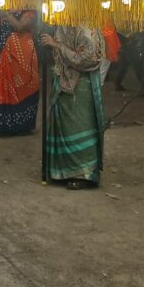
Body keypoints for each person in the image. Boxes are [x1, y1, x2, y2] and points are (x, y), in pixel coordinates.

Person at [40, 26, 106, 189]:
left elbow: (87, 58)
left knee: (79, 125)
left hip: (80, 86)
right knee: (65, 126)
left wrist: (57, 45)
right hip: (63, 81)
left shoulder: (86, 28)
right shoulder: (66, 24)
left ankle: (83, 173)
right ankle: (63, 170)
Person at [0, 10, 39, 135]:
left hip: (21, 57)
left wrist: (6, 14)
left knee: (18, 89)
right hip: (1, 54)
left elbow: (20, 26)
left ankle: (12, 127)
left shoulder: (29, 11)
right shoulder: (4, 7)